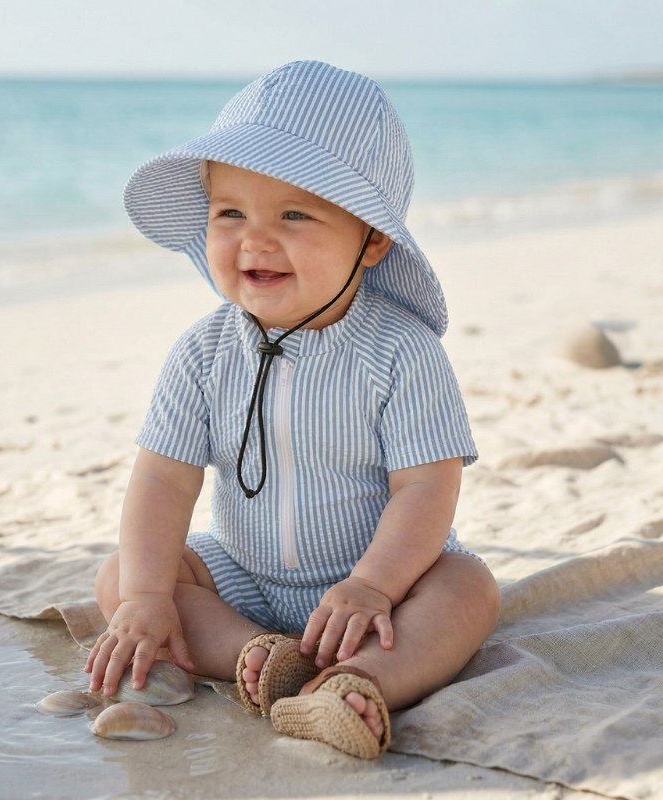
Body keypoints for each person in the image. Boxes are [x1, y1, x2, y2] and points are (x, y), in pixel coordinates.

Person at [85, 60, 501, 759]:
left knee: (468, 588)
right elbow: (163, 479)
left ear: (371, 240)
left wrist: (372, 585)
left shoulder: (400, 352)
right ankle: (262, 658)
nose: (255, 238)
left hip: (382, 593)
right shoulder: (204, 350)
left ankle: (360, 681)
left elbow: (428, 486)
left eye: (294, 214)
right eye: (231, 213)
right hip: (245, 577)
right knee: (125, 577)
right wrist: (149, 596)